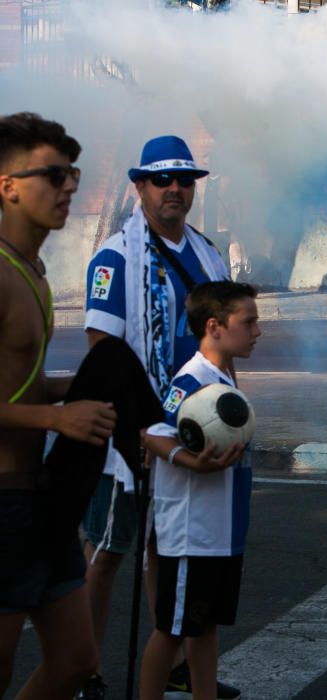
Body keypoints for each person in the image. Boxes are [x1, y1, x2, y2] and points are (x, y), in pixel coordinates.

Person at [79, 135, 238, 699]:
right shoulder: (114, 257)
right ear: (139, 186)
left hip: (190, 427)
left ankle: (173, 665)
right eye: (162, 180)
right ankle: (85, 671)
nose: (175, 189)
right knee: (107, 552)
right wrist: (137, 429)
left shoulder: (208, 253)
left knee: (166, 549)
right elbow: (103, 348)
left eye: (185, 180)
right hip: (131, 431)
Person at [0, 112, 119, 697]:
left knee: (76, 663)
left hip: (40, 496)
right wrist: (56, 417)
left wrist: (78, 390)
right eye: (54, 173)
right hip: (0, 501)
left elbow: (19, 385)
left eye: (73, 172)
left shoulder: (35, 272)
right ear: (9, 186)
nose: (70, 185)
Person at [139, 281, 259, 700]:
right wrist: (190, 461)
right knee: (171, 632)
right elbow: (153, 432)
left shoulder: (222, 377)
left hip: (221, 533)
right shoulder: (191, 380)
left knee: (203, 627)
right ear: (215, 326)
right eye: (248, 322)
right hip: (192, 535)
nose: (257, 331)